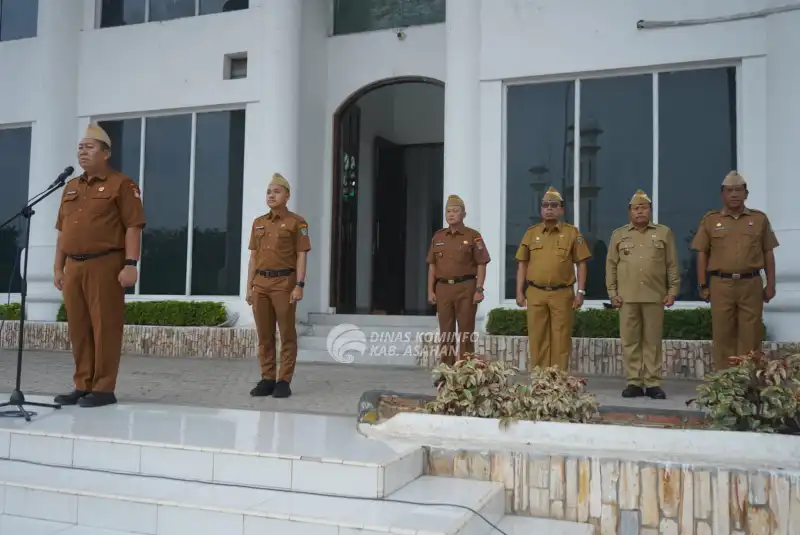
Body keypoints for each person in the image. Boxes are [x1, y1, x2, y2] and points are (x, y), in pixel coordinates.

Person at [53, 124, 146, 408]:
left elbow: (133, 226)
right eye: (80, 147)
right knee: (78, 328)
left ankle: (104, 388)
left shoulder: (122, 185)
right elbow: (63, 231)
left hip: (105, 263)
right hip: (74, 266)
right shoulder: (70, 187)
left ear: (106, 153)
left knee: (105, 326)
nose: (83, 151)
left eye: (89, 147)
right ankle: (83, 384)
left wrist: (130, 264)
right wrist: (58, 268)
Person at [691, 171, 778, 371]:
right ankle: (725, 379)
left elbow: (768, 252)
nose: (734, 194)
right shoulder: (710, 220)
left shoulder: (759, 219)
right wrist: (703, 285)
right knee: (723, 334)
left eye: (738, 190)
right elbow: (702, 253)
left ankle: (748, 378)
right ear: (722, 195)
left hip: (751, 284)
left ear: (746, 194)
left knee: (751, 333)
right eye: (729, 190)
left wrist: (771, 285)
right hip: (721, 284)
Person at [606, 190, 679, 399]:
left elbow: (672, 264)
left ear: (650, 210)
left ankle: (653, 383)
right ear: (629, 212)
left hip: (654, 296)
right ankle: (634, 382)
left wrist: (672, 291)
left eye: (644, 208)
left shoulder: (664, 233)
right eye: (636, 208)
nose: (640, 212)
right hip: (626, 298)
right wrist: (612, 292)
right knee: (630, 341)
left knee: (652, 342)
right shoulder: (619, 234)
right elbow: (611, 265)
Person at [247, 173, 310, 398]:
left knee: (286, 333)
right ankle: (267, 378)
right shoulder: (259, 223)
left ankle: (284, 380)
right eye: (268, 192)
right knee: (264, 335)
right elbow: (253, 258)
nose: (271, 195)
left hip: (284, 283)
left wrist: (299, 285)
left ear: (287, 196)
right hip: (260, 284)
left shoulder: (297, 223)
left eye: (276, 191)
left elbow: (302, 255)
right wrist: (249, 287)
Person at [515, 186, 591, 371]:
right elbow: (522, 264)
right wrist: (519, 292)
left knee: (561, 338)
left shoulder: (572, 233)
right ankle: (540, 379)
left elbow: (581, 264)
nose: (549, 209)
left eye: (554, 205)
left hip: (562, 293)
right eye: (545, 205)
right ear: (541, 209)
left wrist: (580, 292)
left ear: (561, 210)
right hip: (536, 292)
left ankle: (558, 379)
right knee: (537, 337)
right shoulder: (531, 233)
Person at [426, 195, 490, 366]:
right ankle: (446, 369)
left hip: (466, 288)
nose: (451, 214)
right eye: (448, 211)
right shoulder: (439, 236)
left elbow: (482, 263)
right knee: (445, 333)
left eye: (455, 211)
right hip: (443, 288)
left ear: (464, 214)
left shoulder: (473, 236)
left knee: (466, 332)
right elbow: (432, 265)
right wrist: (430, 291)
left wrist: (479, 289)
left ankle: (465, 369)